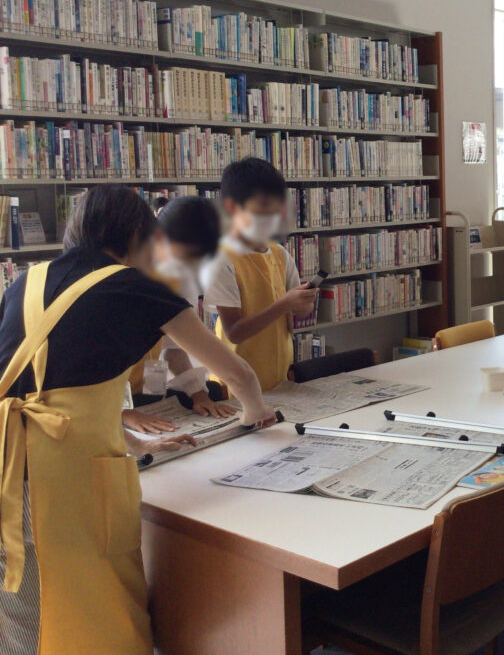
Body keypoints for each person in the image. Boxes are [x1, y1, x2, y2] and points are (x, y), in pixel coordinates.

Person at [0, 185, 275, 655]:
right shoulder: (134, 287)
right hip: (61, 481)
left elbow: (56, 391)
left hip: (8, 463)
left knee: (23, 599)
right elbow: (235, 372)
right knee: (99, 600)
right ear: (134, 234)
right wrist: (256, 413)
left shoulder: (26, 281)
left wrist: (134, 442)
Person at [122, 196, 237, 435]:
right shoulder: (123, 276)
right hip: (98, 404)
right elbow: (91, 362)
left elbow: (175, 348)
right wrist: (121, 411)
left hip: (137, 398)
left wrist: (198, 393)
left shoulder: (182, 280)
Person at [202, 157, 317, 391]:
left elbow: (299, 312)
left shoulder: (280, 254)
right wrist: (285, 303)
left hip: (278, 379)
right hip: (235, 387)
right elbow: (234, 332)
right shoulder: (221, 259)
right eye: (263, 206)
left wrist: (303, 303)